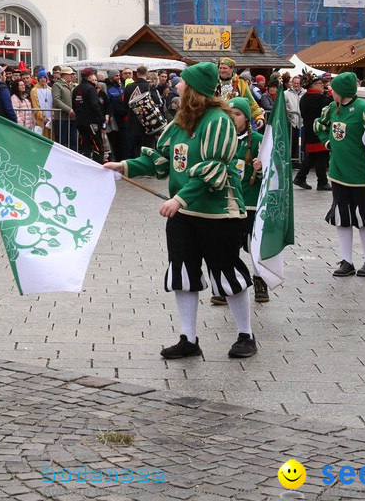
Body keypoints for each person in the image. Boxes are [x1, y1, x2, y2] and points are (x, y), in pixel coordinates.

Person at [104, 62, 256, 360]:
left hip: (218, 214)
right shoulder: (179, 123)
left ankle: (246, 335)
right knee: (183, 272)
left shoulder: (219, 121)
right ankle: (188, 338)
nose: (177, 86)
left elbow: (215, 169)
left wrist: (179, 199)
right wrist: (124, 166)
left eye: (183, 83)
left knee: (226, 273)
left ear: (195, 89)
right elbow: (162, 160)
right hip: (184, 215)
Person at [313, 72, 365, 279]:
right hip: (338, 173)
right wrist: (328, 142)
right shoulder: (331, 108)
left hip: (360, 176)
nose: (331, 91)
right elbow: (319, 126)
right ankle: (346, 260)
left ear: (342, 91)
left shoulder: (364, 109)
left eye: (334, 89)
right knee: (342, 217)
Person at [212, 97, 268, 304]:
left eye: (237, 114)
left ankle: (260, 280)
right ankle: (227, 285)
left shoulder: (259, 140)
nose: (233, 118)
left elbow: (274, 173)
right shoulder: (220, 138)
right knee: (228, 245)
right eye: (230, 114)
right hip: (227, 200)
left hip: (251, 201)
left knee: (254, 244)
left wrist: (260, 169)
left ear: (247, 117)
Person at [293, 73, 332, 190]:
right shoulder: (318, 98)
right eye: (320, 84)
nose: (322, 86)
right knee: (322, 156)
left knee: (313, 155)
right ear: (313, 85)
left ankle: (300, 177)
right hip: (318, 130)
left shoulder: (305, 97)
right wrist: (330, 93)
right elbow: (330, 105)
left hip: (309, 129)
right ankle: (322, 181)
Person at [216, 57, 264, 131]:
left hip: (235, 123)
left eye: (225, 68)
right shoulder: (213, 81)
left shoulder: (240, 82)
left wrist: (259, 116)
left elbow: (250, 102)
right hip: (217, 121)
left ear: (232, 69)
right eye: (220, 68)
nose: (221, 71)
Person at [73, 66, 106, 162]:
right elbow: (94, 105)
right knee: (97, 145)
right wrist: (101, 117)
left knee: (84, 145)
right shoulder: (91, 88)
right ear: (89, 77)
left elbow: (74, 106)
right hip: (92, 122)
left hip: (80, 122)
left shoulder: (76, 89)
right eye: (93, 75)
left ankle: (85, 165)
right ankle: (97, 166)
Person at [51, 66, 77, 153]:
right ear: (65, 75)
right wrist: (69, 110)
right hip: (62, 117)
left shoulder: (74, 85)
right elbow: (56, 100)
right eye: (71, 74)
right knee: (61, 141)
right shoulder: (57, 85)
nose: (73, 76)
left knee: (73, 140)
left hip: (72, 118)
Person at [30, 69, 53, 139]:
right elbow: (35, 105)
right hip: (40, 119)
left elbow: (53, 104)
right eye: (41, 78)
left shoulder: (50, 90)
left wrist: (53, 115)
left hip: (50, 119)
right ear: (38, 79)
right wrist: (42, 117)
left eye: (44, 77)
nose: (43, 79)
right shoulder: (34, 90)